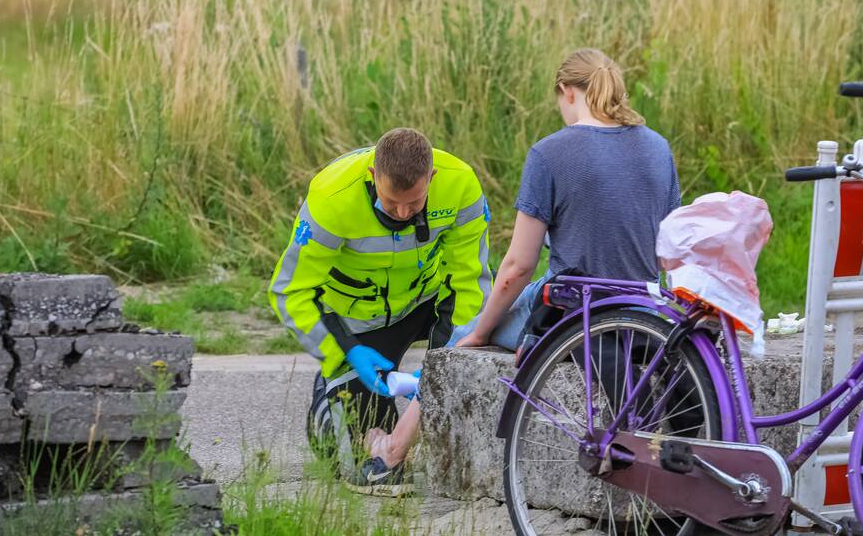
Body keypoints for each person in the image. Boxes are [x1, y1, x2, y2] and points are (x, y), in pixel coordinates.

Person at [363, 47, 682, 480]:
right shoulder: (657, 147)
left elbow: (517, 267)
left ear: (567, 93)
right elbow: (669, 252)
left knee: (459, 337)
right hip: (643, 309)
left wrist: (478, 331)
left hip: (574, 310)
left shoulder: (551, 154)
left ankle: (389, 456)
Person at [268, 127, 492, 496]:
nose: (403, 213)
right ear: (373, 176)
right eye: (391, 204)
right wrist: (343, 351)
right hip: (360, 320)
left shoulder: (460, 185)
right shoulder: (331, 197)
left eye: (415, 204)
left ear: (432, 178)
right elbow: (289, 292)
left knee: (492, 324)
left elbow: (471, 282)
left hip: (427, 302)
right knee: (357, 461)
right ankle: (340, 393)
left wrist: (449, 356)